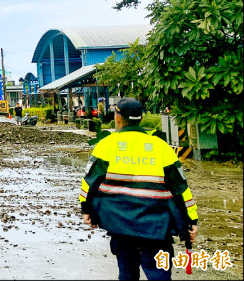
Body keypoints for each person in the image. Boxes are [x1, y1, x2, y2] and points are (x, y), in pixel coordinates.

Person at [79, 98, 198, 280]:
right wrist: (191, 220)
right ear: (141, 118)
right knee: (159, 274)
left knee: (127, 274)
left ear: (117, 117)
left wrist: (86, 210)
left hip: (120, 224)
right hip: (157, 226)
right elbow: (180, 188)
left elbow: (90, 184)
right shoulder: (160, 147)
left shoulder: (106, 145)